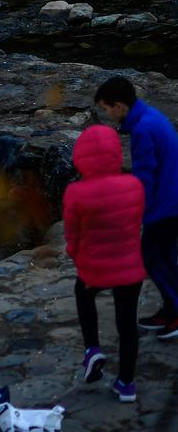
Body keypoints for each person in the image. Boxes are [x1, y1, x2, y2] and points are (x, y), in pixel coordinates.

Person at [63, 124, 146, 402]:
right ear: (115, 153)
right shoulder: (135, 186)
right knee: (127, 325)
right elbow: (134, 225)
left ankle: (92, 349)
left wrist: (77, 257)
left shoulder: (75, 193)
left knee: (83, 294)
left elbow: (72, 238)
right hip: (131, 269)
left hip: (94, 269)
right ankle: (126, 384)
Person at [95, 76, 178, 338]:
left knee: (153, 258)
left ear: (119, 106)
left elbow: (144, 177)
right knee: (166, 258)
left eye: (106, 109)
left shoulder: (142, 129)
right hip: (171, 198)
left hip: (166, 205)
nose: (106, 115)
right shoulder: (150, 115)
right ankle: (171, 308)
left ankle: (177, 312)